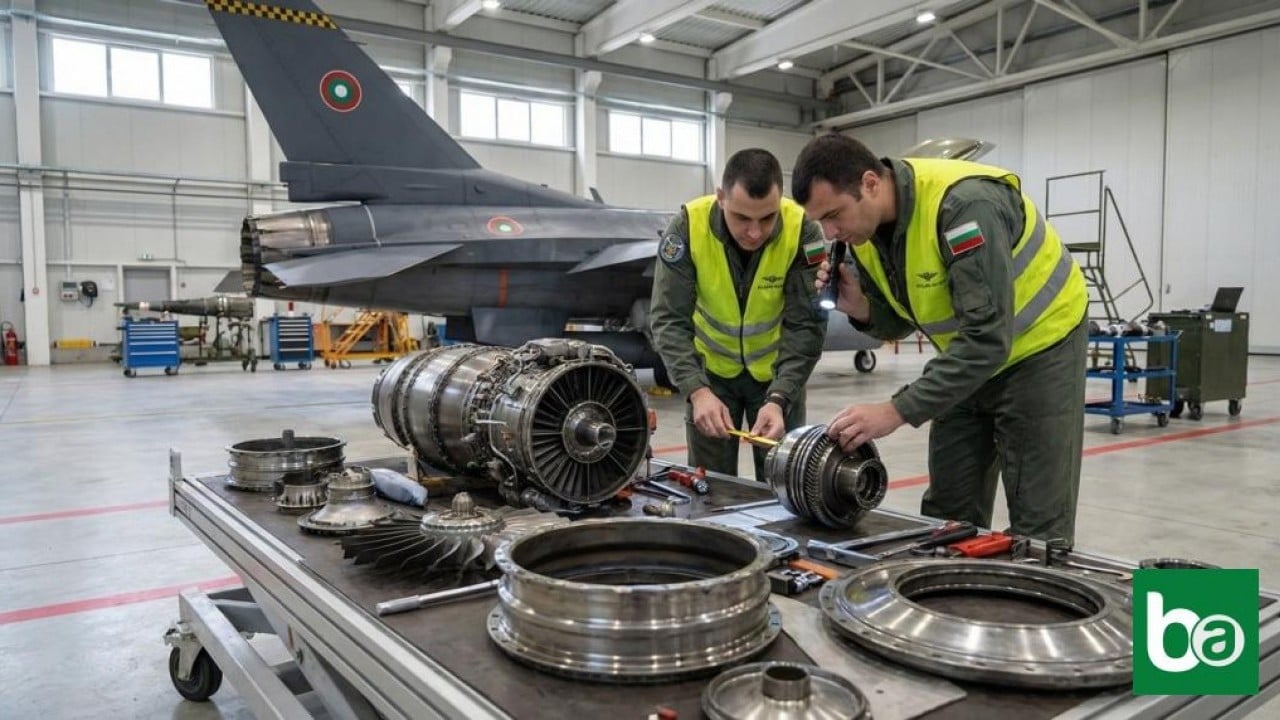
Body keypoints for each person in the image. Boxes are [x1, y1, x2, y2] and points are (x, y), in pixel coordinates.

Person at [791, 133, 1088, 543]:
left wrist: (894, 410)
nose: (830, 232)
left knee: (1038, 528)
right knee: (948, 513)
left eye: (834, 215)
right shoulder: (863, 232)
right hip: (966, 357)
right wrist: (860, 306)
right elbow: (903, 320)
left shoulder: (965, 208)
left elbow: (987, 341)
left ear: (870, 184)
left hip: (1040, 349)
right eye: (820, 222)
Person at [649, 148, 827, 480]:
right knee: (709, 489)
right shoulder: (688, 227)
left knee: (785, 486)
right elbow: (668, 319)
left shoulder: (803, 230)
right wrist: (696, 390)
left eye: (767, 218)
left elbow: (807, 326)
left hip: (777, 377)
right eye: (742, 218)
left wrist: (780, 397)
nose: (755, 232)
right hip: (710, 378)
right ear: (721, 198)